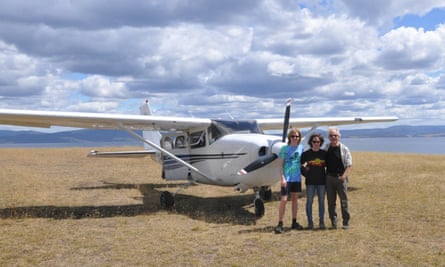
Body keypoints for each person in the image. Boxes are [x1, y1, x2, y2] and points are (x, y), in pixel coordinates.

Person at [274, 128, 305, 234]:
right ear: (289, 138)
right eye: (293, 136)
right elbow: (280, 165)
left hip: (296, 178)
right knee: (284, 200)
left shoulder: (301, 148)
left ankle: (294, 222)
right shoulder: (284, 149)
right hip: (287, 179)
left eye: (297, 136)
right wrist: (282, 178)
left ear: (299, 138)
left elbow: (301, 162)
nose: (295, 138)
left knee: (295, 200)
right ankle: (280, 223)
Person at [325, 127, 352, 230]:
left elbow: (349, 164)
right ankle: (334, 222)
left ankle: (345, 222)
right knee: (331, 202)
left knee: (344, 201)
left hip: (341, 178)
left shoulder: (344, 148)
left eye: (335, 135)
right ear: (329, 137)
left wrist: (344, 176)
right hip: (329, 178)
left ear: (339, 137)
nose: (333, 137)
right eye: (331, 136)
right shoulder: (326, 148)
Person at [301, 133, 327, 230]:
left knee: (321, 202)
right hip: (310, 182)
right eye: (314, 141)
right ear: (311, 142)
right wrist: (305, 173)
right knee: (309, 202)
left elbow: (329, 166)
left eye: (318, 142)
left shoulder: (324, 154)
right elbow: (300, 165)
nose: (316, 143)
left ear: (321, 143)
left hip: (322, 182)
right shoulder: (306, 154)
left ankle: (321, 222)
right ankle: (310, 222)